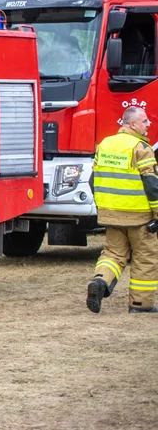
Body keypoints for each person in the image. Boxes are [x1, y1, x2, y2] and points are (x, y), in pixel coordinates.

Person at [86, 106, 158, 314]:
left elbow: (94, 181)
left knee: (113, 255)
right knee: (145, 257)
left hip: (111, 214)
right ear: (132, 124)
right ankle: (140, 305)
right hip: (139, 217)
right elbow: (152, 186)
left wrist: (104, 206)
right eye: (144, 121)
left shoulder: (105, 145)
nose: (148, 124)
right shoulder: (141, 148)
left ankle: (100, 282)